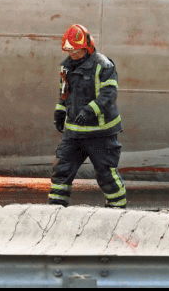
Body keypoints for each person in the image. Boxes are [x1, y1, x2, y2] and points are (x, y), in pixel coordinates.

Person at [49, 24, 127, 208]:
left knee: (106, 174)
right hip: (74, 133)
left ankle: (118, 211)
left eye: (77, 50)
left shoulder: (103, 65)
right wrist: (60, 110)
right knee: (61, 171)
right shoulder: (66, 68)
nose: (73, 54)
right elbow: (64, 93)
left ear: (88, 47)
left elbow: (109, 94)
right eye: (70, 50)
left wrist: (90, 111)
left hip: (100, 133)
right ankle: (55, 211)